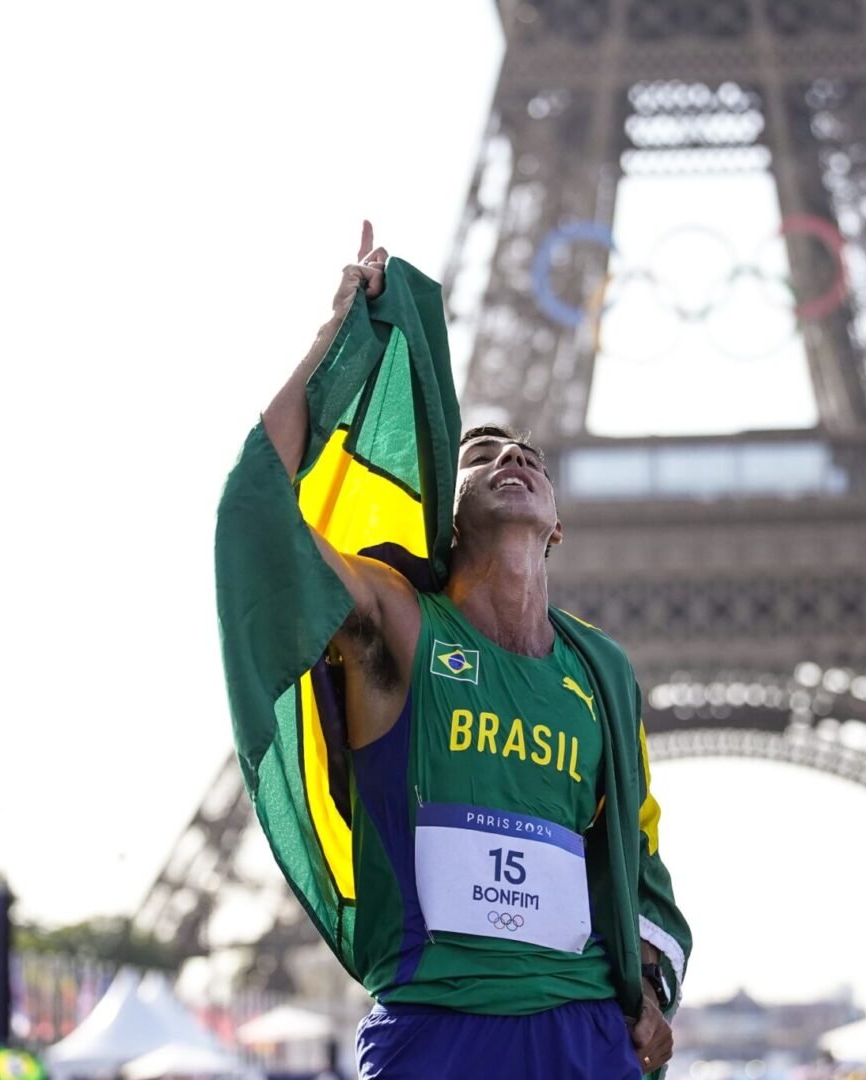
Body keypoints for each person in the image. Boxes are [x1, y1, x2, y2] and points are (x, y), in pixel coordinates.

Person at [215, 223, 692, 1079]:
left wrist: (653, 984)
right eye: (481, 455)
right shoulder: (399, 626)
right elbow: (262, 513)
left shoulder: (602, 673)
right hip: (440, 1026)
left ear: (557, 525)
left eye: (531, 459)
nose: (511, 455)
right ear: (447, 511)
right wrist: (335, 344)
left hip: (582, 1027)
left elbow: (638, 850)